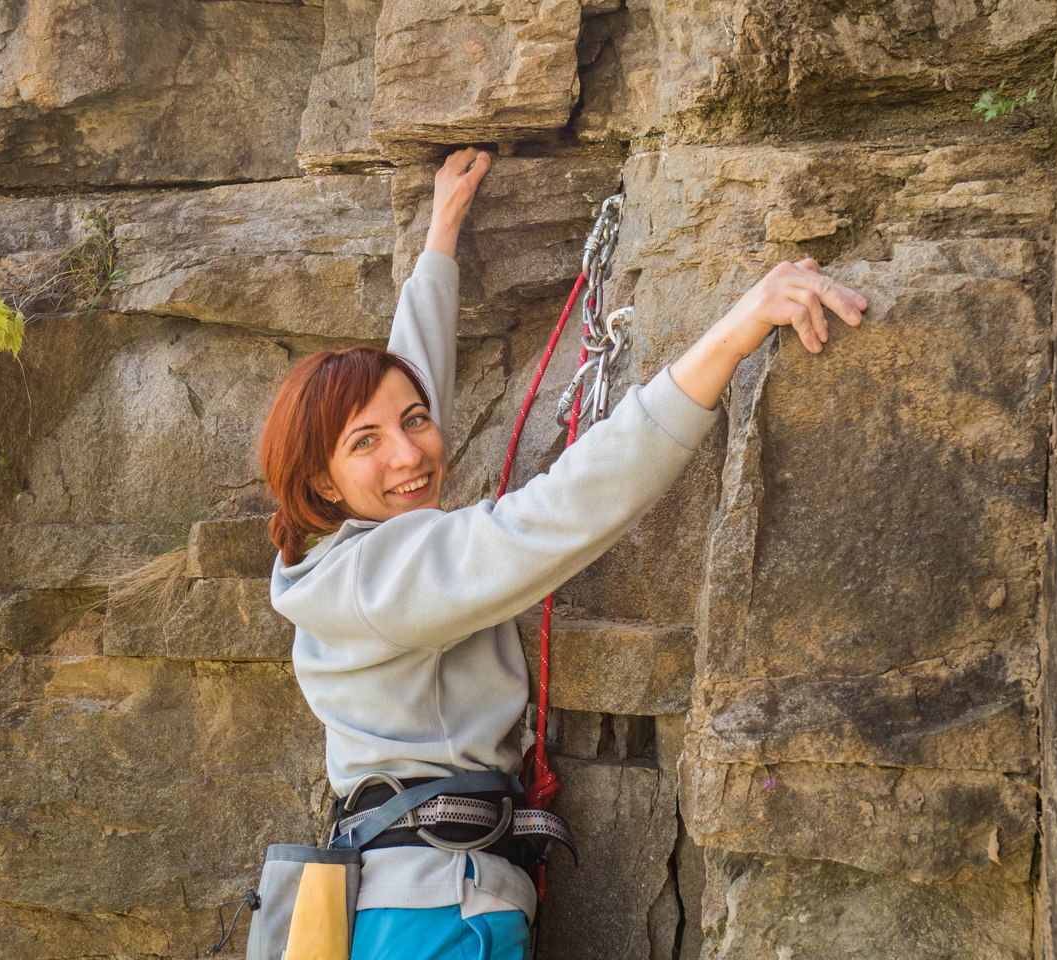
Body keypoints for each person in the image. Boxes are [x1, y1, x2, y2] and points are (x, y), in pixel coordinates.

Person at [259, 147, 866, 960]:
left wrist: (442, 237)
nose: (409, 454)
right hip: (438, 919)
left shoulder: (340, 558)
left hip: (413, 899)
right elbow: (552, 516)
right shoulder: (385, 575)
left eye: (414, 422)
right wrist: (733, 332)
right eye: (366, 442)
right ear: (324, 483)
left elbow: (405, 386)